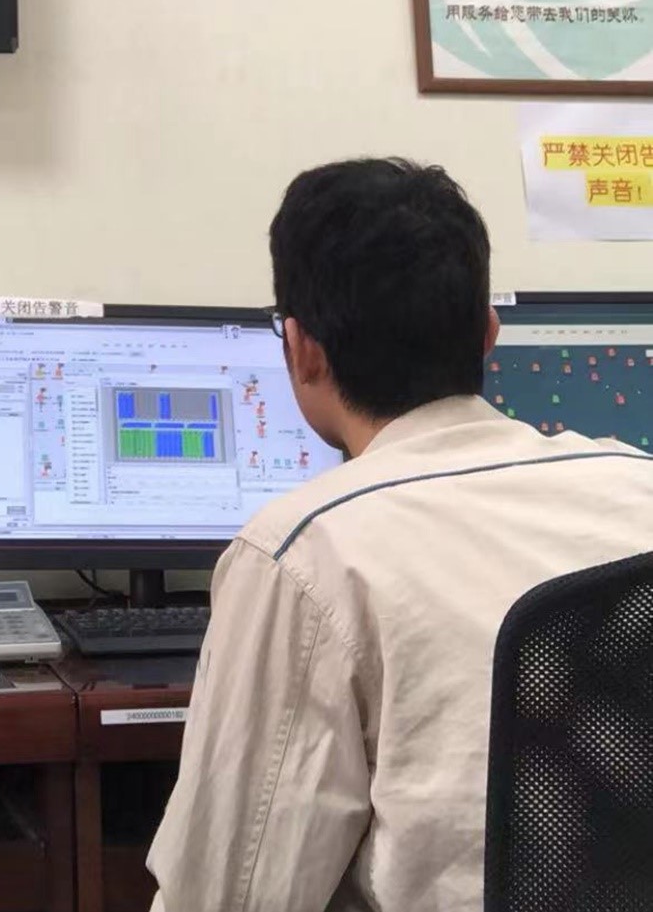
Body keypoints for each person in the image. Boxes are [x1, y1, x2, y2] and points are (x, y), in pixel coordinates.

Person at [147, 158, 653, 912]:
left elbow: (229, 890)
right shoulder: (639, 482)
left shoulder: (306, 552)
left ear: (301, 350)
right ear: (488, 334)